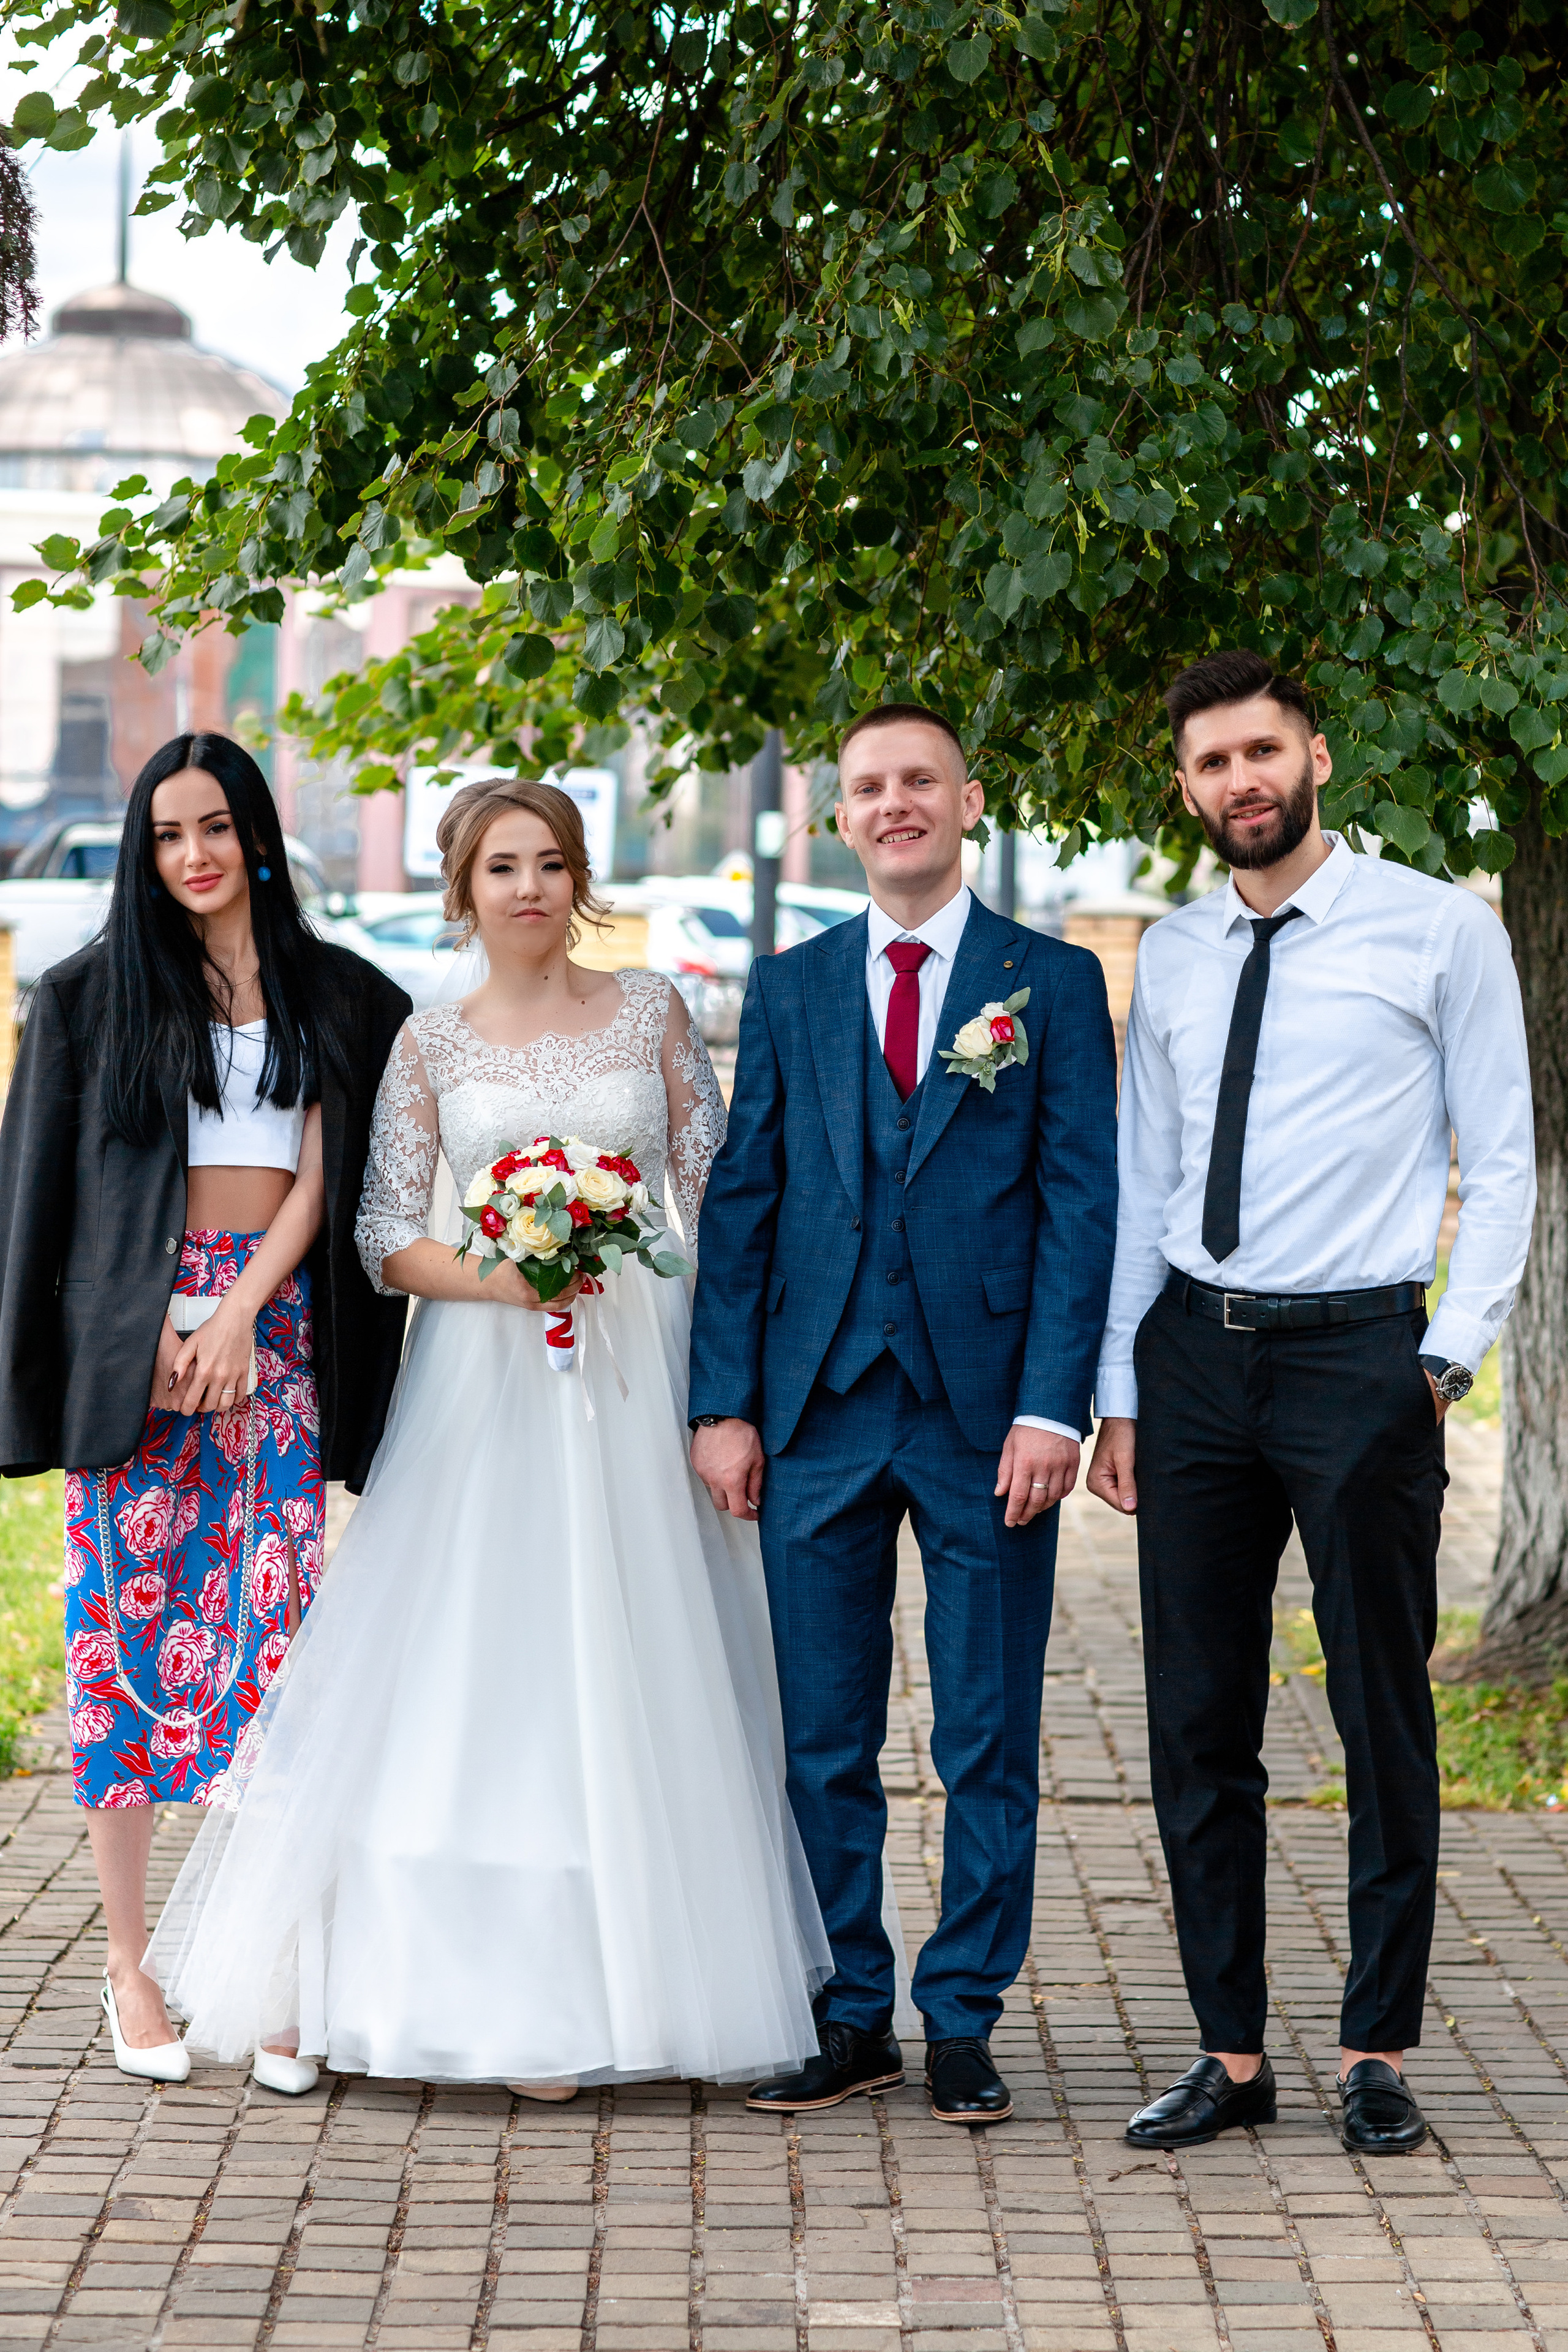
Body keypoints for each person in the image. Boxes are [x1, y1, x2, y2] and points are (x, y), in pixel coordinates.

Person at [145, 775, 831, 2093]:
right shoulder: (430, 1039)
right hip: (488, 1372)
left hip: (641, 1365)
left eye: (552, 863)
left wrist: (713, 1364)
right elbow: (383, 1234)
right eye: (503, 866)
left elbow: (718, 1196)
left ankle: (652, 1973)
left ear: (581, 883)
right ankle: (496, 1986)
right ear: (462, 890)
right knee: (490, 1662)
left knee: (648, 1654)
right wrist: (506, 1275)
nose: (530, 887)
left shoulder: (652, 1012)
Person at [1087, 649, 1536, 2157]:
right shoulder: (1177, 951)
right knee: (1195, 1720)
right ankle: (1228, 2054)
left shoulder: (1432, 932)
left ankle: (1372, 2048)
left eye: (1261, 752)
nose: (1240, 782)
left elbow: (1507, 1155)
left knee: (1379, 1708)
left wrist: (1442, 1354)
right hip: (1193, 1365)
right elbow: (1145, 1179)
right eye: (1211, 764)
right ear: (1186, 787)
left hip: (1361, 1361)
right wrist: (1117, 1389)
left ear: (1316, 757)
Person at [688, 704, 1118, 2124]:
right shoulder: (795, 984)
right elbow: (743, 1201)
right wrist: (724, 1407)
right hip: (813, 1410)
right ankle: (845, 2010)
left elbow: (1078, 1208)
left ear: (967, 798)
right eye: (867, 786)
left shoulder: (1043, 982)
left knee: (983, 1732)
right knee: (821, 1732)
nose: (893, 804)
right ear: (840, 814)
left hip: (983, 1416)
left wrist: (1055, 1407)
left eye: (916, 780)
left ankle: (963, 2016)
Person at [0, 732, 411, 2090]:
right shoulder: (85, 997)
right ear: (145, 847)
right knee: (122, 1649)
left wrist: (238, 1316)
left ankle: (278, 1969)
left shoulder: (342, 996)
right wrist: (147, 1333)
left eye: (217, 827)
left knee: (273, 1653)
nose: (194, 854)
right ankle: (130, 1966)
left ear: (257, 836)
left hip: (275, 1337)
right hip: (132, 1346)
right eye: (170, 832)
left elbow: (329, 1176)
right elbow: (34, 1210)